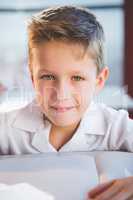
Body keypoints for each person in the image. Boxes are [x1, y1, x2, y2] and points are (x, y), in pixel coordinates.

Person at [0, 6, 133, 199]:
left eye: (77, 78)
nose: (61, 94)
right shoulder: (8, 127)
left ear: (99, 80)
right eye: (47, 76)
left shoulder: (114, 125)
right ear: (32, 77)